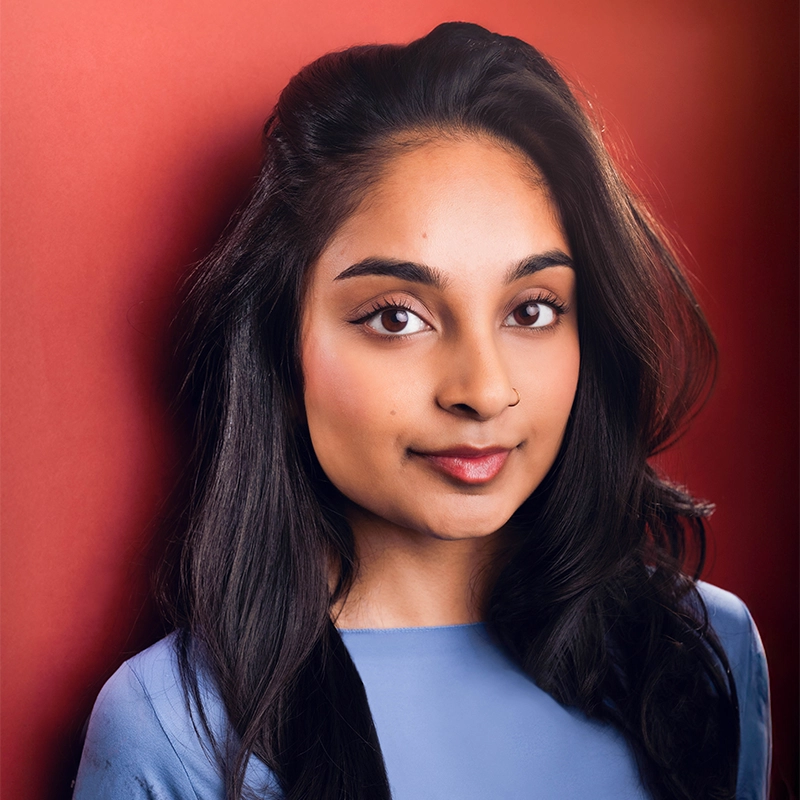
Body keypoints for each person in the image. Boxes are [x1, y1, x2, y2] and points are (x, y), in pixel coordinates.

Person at [72, 21, 771, 800]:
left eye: (533, 309)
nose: (483, 388)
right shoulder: (173, 729)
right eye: (397, 316)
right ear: (282, 342)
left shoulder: (704, 652)